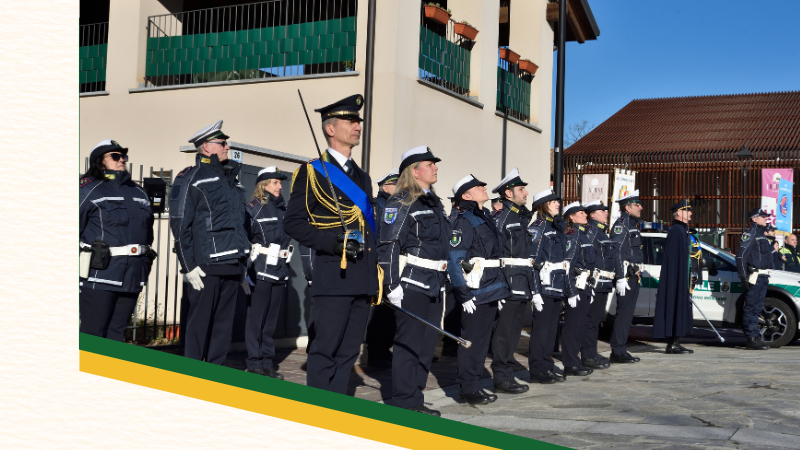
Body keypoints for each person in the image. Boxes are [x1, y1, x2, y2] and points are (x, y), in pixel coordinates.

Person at [284, 94, 380, 395]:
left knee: (349, 353)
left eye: (358, 122)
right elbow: (294, 223)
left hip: (361, 277)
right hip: (334, 275)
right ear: (330, 128)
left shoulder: (363, 177)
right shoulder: (312, 172)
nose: (357, 126)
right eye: (350, 121)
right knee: (325, 349)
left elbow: (368, 227)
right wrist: (335, 243)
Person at [169, 120, 251, 365]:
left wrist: (243, 265)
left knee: (223, 327)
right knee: (199, 326)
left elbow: (239, 225)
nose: (227, 146)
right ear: (206, 147)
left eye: (227, 143)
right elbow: (180, 223)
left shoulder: (232, 179)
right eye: (222, 143)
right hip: (206, 266)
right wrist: (188, 265)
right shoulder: (191, 177)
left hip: (232, 265)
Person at [378, 146, 449, 416]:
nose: (435, 168)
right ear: (415, 171)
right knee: (409, 343)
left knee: (428, 344)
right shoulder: (402, 201)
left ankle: (415, 398)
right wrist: (392, 285)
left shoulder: (434, 202)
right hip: (412, 282)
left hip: (434, 282)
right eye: (430, 164)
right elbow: (389, 244)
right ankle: (404, 401)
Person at [80, 139, 156, 340]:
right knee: (94, 334)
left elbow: (148, 234)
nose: (122, 159)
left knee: (117, 334)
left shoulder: (139, 192)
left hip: (132, 276)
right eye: (115, 156)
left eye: (124, 156)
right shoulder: (89, 189)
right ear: (100, 161)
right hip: (100, 275)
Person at [448, 175, 511, 404]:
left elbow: (494, 257)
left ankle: (474, 385)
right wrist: (463, 294)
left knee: (482, 342)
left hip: (491, 288)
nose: (484, 188)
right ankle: (467, 388)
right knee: (471, 341)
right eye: (478, 187)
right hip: (475, 291)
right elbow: (455, 258)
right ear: (466, 196)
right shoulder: (465, 220)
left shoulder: (484, 217)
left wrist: (501, 289)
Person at [488, 168, 532, 394]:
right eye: (521, 189)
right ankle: (501, 377)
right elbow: (494, 254)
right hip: (508, 284)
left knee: (514, 333)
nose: (526, 193)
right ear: (508, 194)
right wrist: (498, 286)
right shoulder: (501, 218)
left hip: (522, 283)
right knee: (504, 333)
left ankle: (507, 373)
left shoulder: (520, 217)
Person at [244, 167, 290, 379]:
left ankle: (267, 362)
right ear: (263, 185)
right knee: (257, 318)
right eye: (275, 182)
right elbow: (244, 238)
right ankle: (254, 363)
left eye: (280, 182)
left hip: (280, 270)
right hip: (260, 269)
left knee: (270, 321)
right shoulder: (253, 208)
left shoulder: (283, 209)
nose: (280, 186)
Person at [527, 189, 570, 383]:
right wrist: (535, 291)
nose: (558, 205)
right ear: (544, 205)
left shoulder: (555, 228)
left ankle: (546, 365)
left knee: (551, 330)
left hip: (556, 285)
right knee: (541, 330)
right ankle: (537, 369)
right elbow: (533, 261)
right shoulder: (539, 227)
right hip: (543, 288)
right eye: (553, 202)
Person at [652, 199, 701, 354]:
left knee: (680, 307)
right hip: (676, 277)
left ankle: (676, 341)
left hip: (681, 277)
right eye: (688, 210)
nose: (691, 213)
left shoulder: (683, 230)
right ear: (679, 213)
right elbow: (673, 259)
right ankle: (672, 343)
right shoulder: (677, 230)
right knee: (675, 306)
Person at [365, 168, 400, 369]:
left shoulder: (396, 206)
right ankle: (375, 354)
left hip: (392, 265)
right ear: (385, 186)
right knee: (379, 313)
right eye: (395, 184)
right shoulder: (377, 207)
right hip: (379, 265)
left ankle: (385, 351)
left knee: (390, 314)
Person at [609, 190, 644, 364]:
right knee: (623, 313)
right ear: (627, 208)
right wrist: (621, 277)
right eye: (637, 204)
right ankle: (617, 350)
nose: (641, 207)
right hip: (627, 276)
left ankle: (621, 348)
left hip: (633, 275)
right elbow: (617, 253)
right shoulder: (621, 225)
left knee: (627, 313)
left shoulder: (631, 224)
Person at [580, 200, 615, 370]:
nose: (606, 213)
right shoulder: (592, 231)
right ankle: (588, 356)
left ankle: (591, 353)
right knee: (591, 321)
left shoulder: (601, 231)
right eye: (602, 211)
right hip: (596, 282)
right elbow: (588, 256)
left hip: (604, 282)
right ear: (592, 214)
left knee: (595, 321)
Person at [560, 202, 594, 376]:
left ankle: (575, 360)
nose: (585, 215)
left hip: (585, 285)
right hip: (576, 287)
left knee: (580, 326)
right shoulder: (573, 235)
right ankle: (570, 362)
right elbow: (568, 265)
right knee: (573, 326)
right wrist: (571, 291)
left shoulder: (583, 235)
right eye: (581, 212)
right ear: (571, 217)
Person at [735, 208, 773, 350]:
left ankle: (755, 336)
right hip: (755, 276)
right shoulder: (750, 233)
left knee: (757, 308)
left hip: (763, 276)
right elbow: (741, 256)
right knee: (751, 307)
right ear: (754, 219)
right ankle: (751, 338)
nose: (766, 219)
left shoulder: (761, 234)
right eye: (763, 217)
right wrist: (743, 276)